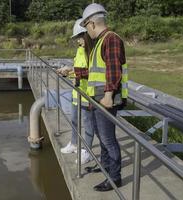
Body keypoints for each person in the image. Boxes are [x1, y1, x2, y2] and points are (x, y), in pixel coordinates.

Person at [80, 3, 128, 192]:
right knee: (102, 137)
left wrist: (108, 96)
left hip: (105, 99)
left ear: (91, 23)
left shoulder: (111, 39)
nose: (86, 32)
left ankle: (115, 178)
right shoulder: (101, 41)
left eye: (86, 28)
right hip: (97, 98)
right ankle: (106, 169)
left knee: (108, 139)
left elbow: (113, 69)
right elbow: (95, 73)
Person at [57, 18, 96, 165]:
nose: (78, 41)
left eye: (79, 38)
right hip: (77, 91)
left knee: (88, 123)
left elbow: (90, 72)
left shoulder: (92, 51)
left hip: (88, 93)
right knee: (74, 119)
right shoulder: (80, 51)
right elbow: (78, 69)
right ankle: (74, 143)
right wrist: (68, 71)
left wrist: (71, 71)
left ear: (86, 34)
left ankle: (87, 151)